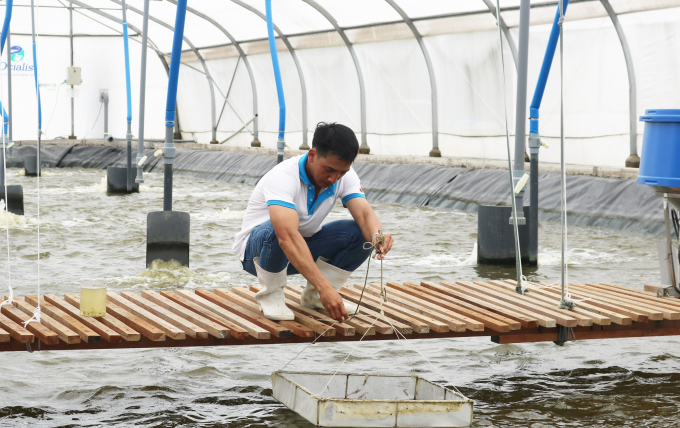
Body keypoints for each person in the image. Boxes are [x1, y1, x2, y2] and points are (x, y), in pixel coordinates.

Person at [233, 122, 394, 322]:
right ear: (312, 155)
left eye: (342, 172)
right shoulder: (282, 177)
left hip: (299, 249)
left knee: (362, 233)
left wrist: (377, 237)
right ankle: (271, 295)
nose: (334, 178)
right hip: (257, 255)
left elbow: (364, 215)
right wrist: (324, 286)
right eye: (329, 170)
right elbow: (287, 237)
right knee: (279, 229)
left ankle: (315, 298)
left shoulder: (345, 176)